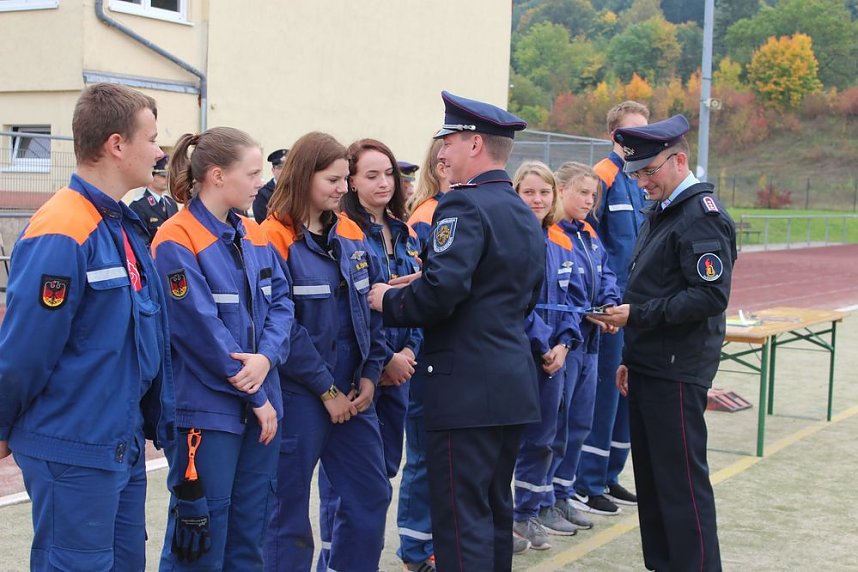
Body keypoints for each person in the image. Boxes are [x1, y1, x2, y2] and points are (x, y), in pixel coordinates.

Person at [0, 82, 175, 571]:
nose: (160, 152)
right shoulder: (64, 227)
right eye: (153, 138)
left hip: (115, 443)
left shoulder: (117, 224)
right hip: (75, 447)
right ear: (117, 145)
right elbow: (24, 349)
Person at [369, 91, 545, 571]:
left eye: (446, 140)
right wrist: (426, 281)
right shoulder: (519, 211)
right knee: (492, 513)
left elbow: (443, 293)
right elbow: (515, 294)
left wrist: (389, 299)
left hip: (466, 389)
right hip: (509, 383)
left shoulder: (463, 207)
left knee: (461, 521)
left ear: (472, 143)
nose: (440, 153)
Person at [593, 115, 735, 571]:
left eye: (648, 172)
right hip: (652, 364)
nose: (640, 182)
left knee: (681, 487)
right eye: (635, 174)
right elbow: (650, 286)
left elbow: (708, 295)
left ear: (679, 160)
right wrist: (632, 356)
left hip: (677, 368)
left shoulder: (699, 214)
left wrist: (637, 316)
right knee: (653, 485)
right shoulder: (666, 209)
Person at [151, 127, 293, 569]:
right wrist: (257, 393)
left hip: (260, 409)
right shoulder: (176, 239)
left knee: (249, 537)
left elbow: (282, 305)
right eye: (252, 173)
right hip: (207, 414)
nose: (260, 182)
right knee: (200, 539)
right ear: (216, 175)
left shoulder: (253, 234)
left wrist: (266, 359)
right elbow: (200, 331)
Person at [261, 131, 390, 572]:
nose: (342, 189)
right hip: (301, 397)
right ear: (304, 176)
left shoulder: (352, 234)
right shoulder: (272, 237)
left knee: (371, 495)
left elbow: (373, 308)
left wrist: (372, 374)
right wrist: (325, 390)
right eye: (333, 180)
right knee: (286, 513)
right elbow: (282, 326)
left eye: (343, 180)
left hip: (355, 396)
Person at [316, 138, 423, 569]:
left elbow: (418, 296)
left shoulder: (406, 231)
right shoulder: (343, 232)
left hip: (401, 370)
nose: (383, 183)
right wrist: (382, 362)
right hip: (361, 373)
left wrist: (410, 351)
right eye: (370, 174)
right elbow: (352, 309)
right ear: (352, 182)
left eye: (389, 174)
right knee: (345, 487)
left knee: (382, 476)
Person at [574, 101, 650, 516]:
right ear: (614, 136)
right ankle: (588, 480)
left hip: (636, 308)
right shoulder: (602, 178)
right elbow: (591, 240)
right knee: (603, 393)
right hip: (609, 310)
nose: (639, 139)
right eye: (631, 132)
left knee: (625, 393)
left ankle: (610, 473)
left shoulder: (639, 180)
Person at [510, 161, 584, 551]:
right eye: (529, 192)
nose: (537, 199)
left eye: (545, 192)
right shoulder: (510, 238)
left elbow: (571, 300)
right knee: (510, 440)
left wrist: (564, 344)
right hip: (521, 356)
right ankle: (504, 517)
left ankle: (527, 513)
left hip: (554, 358)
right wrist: (543, 345)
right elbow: (516, 302)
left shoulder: (560, 241)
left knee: (545, 439)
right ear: (516, 193)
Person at [548, 162, 621, 531]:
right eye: (582, 192)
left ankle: (564, 494)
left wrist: (608, 304)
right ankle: (540, 500)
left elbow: (605, 272)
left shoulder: (588, 232)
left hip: (591, 342)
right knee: (555, 426)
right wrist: (586, 312)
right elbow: (558, 290)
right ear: (560, 190)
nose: (589, 201)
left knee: (579, 422)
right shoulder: (551, 234)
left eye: (593, 195)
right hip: (567, 342)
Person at [397, 136, 450, 571]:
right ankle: (416, 549)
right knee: (422, 456)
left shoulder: (459, 211)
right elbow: (420, 287)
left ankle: (432, 541)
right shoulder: (428, 216)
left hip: (445, 355)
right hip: (424, 352)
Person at [128, 154, 179, 246]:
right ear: (152, 176)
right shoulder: (138, 206)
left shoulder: (171, 204)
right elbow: (140, 242)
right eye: (162, 176)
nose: (166, 179)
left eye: (168, 176)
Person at [253, 148, 288, 223]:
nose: (284, 171)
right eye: (280, 167)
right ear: (273, 170)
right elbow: (262, 221)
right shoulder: (263, 194)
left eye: (287, 167)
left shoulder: (296, 190)